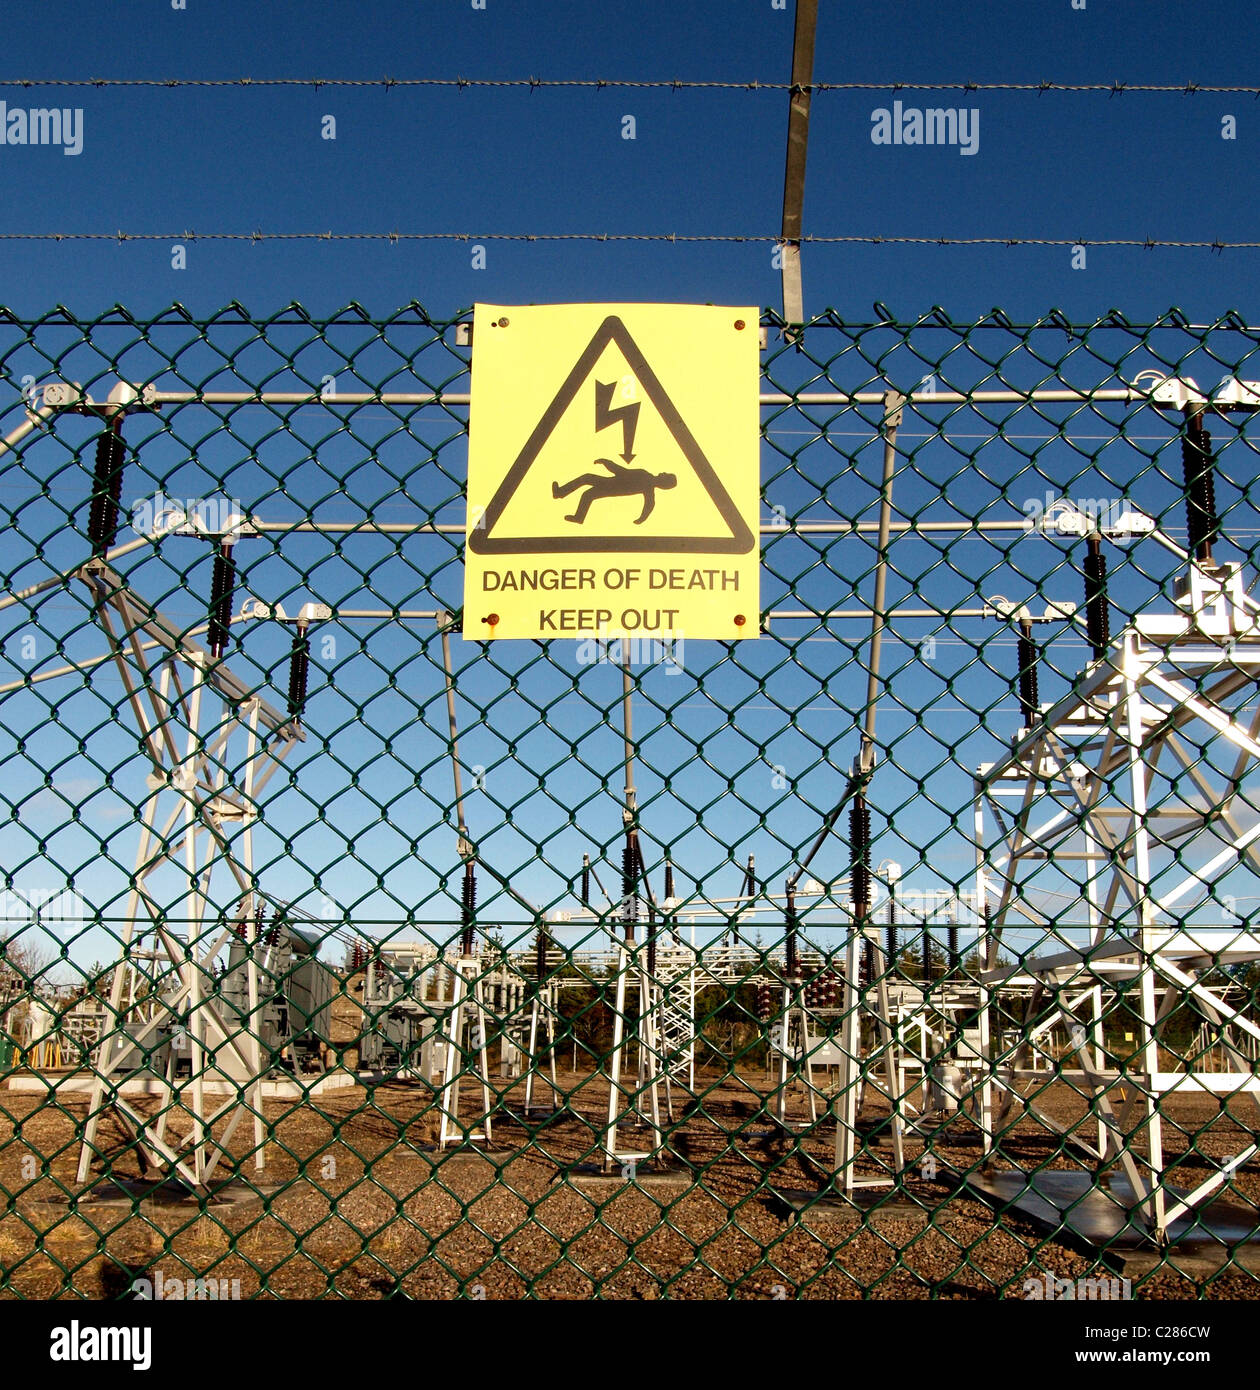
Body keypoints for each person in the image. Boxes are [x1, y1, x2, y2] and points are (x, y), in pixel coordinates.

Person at [552, 460, 677, 525]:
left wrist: (607, 462)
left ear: (663, 482)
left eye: (666, 476)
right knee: (587, 493)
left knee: (587, 483)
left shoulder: (646, 478)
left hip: (609, 485)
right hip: (611, 485)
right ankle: (577, 514)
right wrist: (642, 518)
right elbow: (650, 504)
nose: (664, 473)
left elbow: (622, 472)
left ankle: (562, 495)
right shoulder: (648, 485)